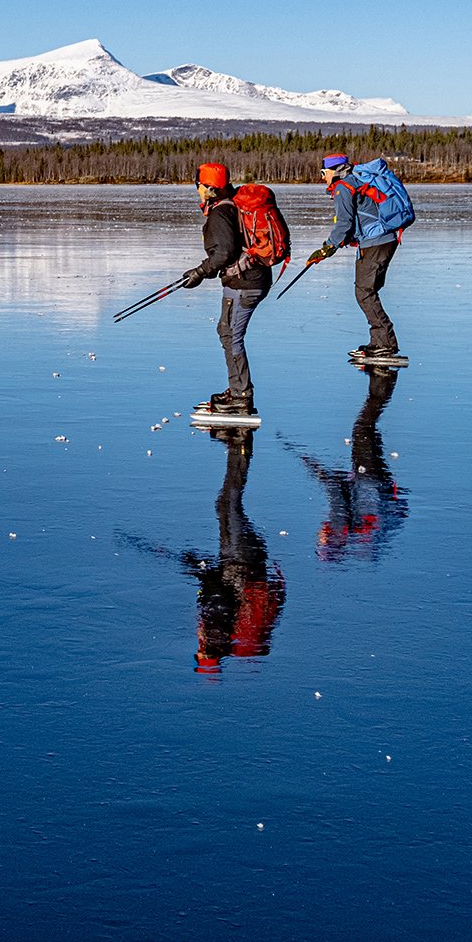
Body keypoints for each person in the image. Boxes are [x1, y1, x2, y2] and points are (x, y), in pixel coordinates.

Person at [187, 427, 285, 673]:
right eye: (199, 654)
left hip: (248, 563)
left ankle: (239, 449)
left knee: (227, 505)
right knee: (228, 505)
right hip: (240, 560)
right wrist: (199, 571)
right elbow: (218, 596)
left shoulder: (231, 639)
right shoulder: (216, 630)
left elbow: (223, 595)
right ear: (205, 654)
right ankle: (240, 445)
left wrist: (203, 572)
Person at [179, 162, 269, 416]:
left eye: (198, 186)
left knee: (231, 336)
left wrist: (200, 272)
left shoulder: (221, 212)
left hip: (244, 283)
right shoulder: (232, 203)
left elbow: (225, 252)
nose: (196, 190)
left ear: (208, 188)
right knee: (226, 331)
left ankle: (241, 397)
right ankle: (236, 390)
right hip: (247, 280)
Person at [299, 366, 409, 563]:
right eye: (321, 539)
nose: (320, 534)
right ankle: (385, 380)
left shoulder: (361, 536)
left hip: (379, 487)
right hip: (369, 482)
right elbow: (337, 495)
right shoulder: (340, 525)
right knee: (362, 427)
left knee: (369, 431)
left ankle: (383, 382)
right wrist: (321, 475)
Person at [311, 154, 402, 363]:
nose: (322, 177)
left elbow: (344, 223)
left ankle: (384, 344)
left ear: (334, 171)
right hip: (384, 241)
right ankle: (380, 342)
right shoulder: (357, 181)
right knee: (368, 291)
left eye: (323, 173)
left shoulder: (344, 187)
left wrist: (328, 247)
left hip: (375, 244)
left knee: (364, 292)